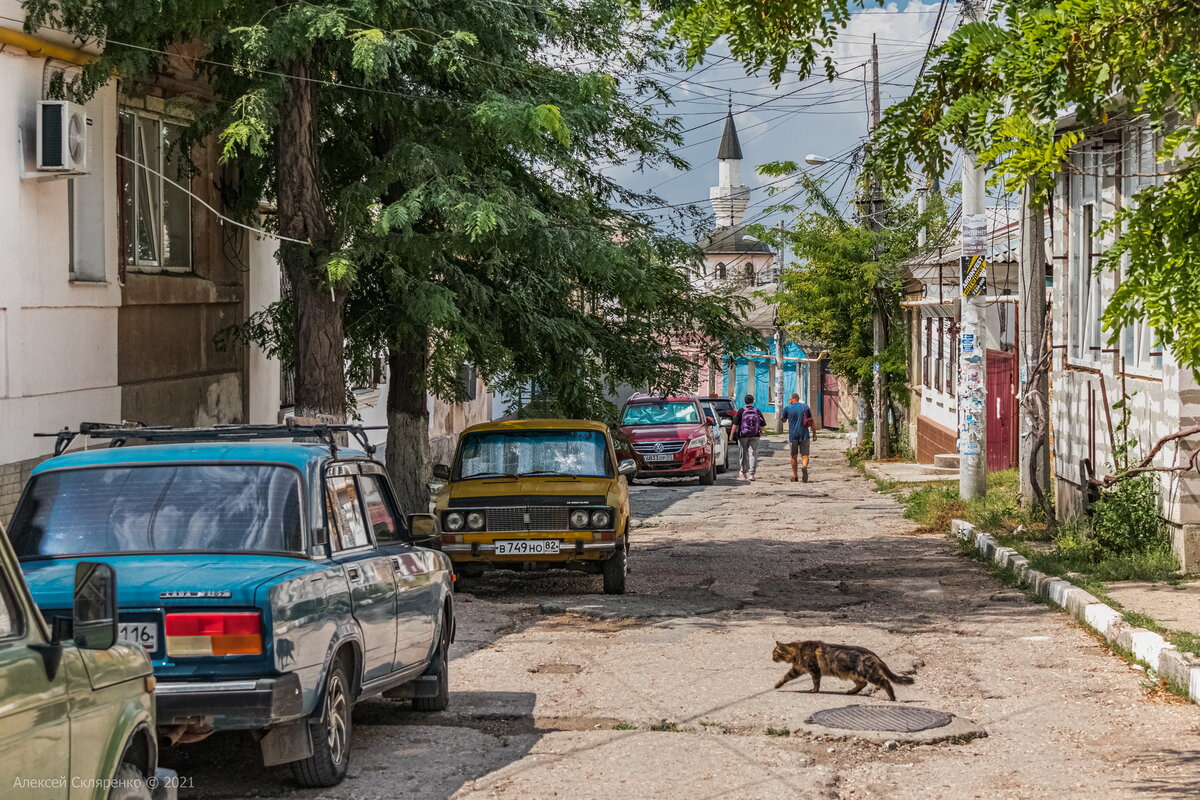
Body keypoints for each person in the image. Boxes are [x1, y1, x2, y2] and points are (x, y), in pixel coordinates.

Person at [780, 392, 816, 482]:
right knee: (805, 455)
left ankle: (795, 476)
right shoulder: (805, 407)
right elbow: (811, 421)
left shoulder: (787, 408)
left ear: (792, 399)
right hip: (804, 434)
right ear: (798, 399)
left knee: (793, 456)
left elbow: (783, 420)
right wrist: (814, 433)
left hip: (793, 436)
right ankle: (804, 467)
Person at [732, 394, 765, 481]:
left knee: (743, 454)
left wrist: (731, 435)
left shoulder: (741, 411)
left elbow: (735, 424)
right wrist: (761, 431)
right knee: (753, 454)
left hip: (743, 435)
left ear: (745, 401)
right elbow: (762, 424)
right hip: (755, 435)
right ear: (753, 401)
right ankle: (751, 474)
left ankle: (743, 473)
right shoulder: (757, 411)